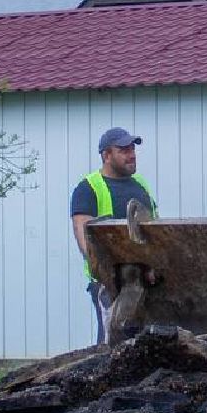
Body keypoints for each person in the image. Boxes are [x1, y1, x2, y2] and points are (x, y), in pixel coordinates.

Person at [70, 127, 157, 345]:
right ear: (106, 155)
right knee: (112, 340)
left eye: (132, 148)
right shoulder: (89, 187)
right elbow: (83, 232)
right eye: (124, 150)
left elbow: (156, 229)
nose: (132, 154)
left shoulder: (141, 185)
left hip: (144, 280)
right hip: (109, 282)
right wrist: (101, 271)